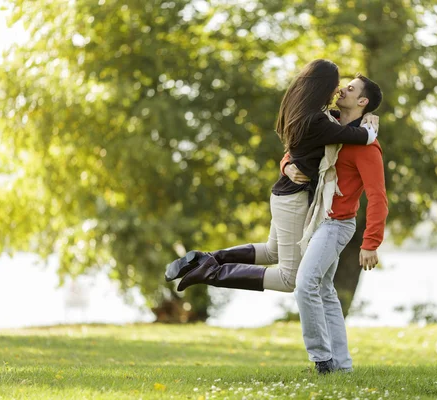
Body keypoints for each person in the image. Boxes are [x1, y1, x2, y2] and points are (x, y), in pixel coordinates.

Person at [164, 60, 378, 294]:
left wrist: (285, 164)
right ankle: (211, 272)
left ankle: (203, 259)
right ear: (323, 87)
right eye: (337, 85)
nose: (339, 90)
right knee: (290, 279)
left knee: (271, 252)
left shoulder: (307, 112)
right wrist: (371, 123)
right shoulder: (317, 121)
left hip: (284, 194)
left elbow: (330, 129)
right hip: (294, 199)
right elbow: (361, 137)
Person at [281, 73, 388, 374]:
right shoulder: (325, 123)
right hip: (315, 219)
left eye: (351, 88)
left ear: (362, 102)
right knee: (325, 292)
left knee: (305, 285)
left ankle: (321, 361)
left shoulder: (367, 146)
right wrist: (287, 166)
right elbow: (294, 151)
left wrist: (371, 243)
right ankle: (341, 366)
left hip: (337, 224)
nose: (342, 89)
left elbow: (378, 197)